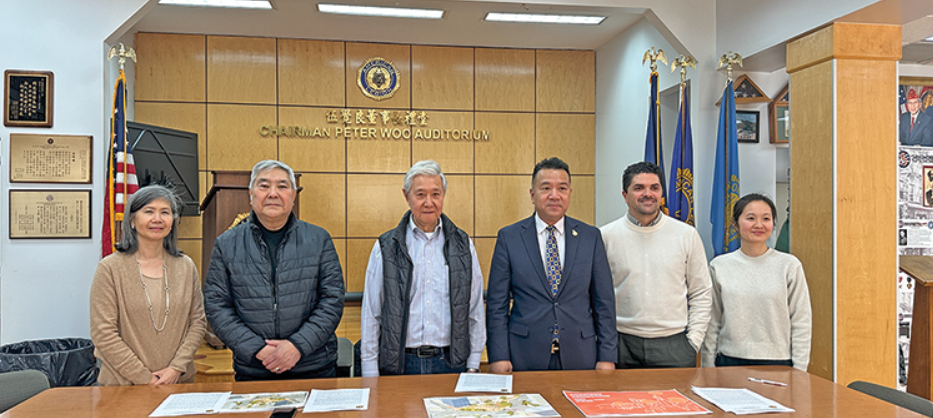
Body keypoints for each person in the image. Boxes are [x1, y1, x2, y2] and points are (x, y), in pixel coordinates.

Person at [204, 160, 345, 381]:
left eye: (282, 186)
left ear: (293, 195)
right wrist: (258, 349)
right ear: (251, 194)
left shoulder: (319, 239)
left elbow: (332, 300)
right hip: (254, 368)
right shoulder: (226, 244)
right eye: (264, 186)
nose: (273, 193)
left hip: (313, 366)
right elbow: (217, 306)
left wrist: (297, 346)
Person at [486, 157, 617, 372]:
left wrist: (607, 356)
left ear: (570, 193)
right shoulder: (509, 238)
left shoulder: (590, 237)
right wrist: (498, 356)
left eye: (562, 188)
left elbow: (604, 303)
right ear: (532, 194)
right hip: (524, 354)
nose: (554, 195)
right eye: (546, 188)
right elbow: (496, 304)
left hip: (581, 354)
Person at [360, 160, 485, 377]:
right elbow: (372, 313)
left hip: (450, 363)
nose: (429, 202)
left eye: (436, 194)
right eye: (420, 195)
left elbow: (474, 309)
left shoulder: (463, 245)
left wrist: (473, 363)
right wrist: (370, 371)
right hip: (401, 365)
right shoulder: (386, 247)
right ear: (406, 196)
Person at [90, 185, 206, 385]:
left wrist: (176, 368)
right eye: (149, 211)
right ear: (132, 220)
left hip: (178, 383)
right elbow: (103, 333)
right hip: (123, 386)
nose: (157, 219)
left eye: (165, 212)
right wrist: (144, 378)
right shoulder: (110, 268)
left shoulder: (185, 266)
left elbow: (197, 322)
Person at [600, 161, 712, 368]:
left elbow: (701, 292)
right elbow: (595, 295)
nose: (647, 194)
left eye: (654, 187)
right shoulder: (605, 236)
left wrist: (693, 342)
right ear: (625, 195)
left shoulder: (686, 235)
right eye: (639, 188)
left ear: (661, 194)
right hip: (621, 344)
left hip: (674, 345)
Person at [700, 193, 812, 371]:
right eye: (751, 218)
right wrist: (707, 366)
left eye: (766, 219)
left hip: (778, 363)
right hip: (729, 361)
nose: (759, 225)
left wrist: (799, 370)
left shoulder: (789, 266)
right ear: (735, 224)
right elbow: (713, 321)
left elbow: (801, 322)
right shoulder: (719, 266)